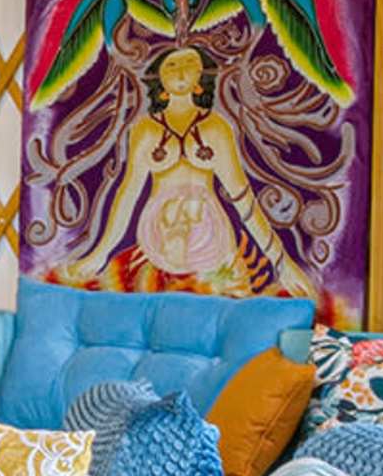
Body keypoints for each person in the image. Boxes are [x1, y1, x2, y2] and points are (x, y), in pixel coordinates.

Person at [58, 43, 314, 298]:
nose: (180, 73)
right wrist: (99, 254)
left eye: (189, 65)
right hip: (157, 240)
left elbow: (243, 199)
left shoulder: (216, 128)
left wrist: (283, 264)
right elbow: (127, 196)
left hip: (213, 243)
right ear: (159, 78)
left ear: (201, 77)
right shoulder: (145, 130)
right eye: (171, 66)